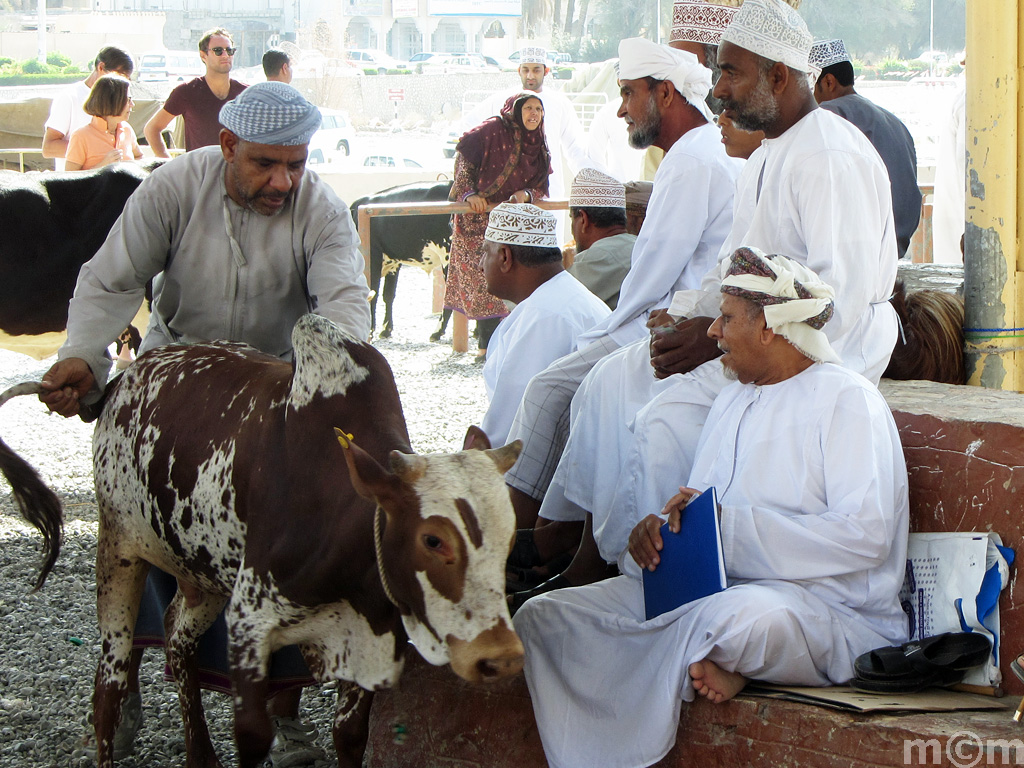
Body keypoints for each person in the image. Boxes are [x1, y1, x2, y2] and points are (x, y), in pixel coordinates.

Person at [514, 0, 899, 600]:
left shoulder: (826, 154)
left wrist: (718, 335)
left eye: (729, 74)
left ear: (777, 76)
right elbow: (735, 267)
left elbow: (835, 302)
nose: (717, 91)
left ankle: (653, 578)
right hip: (752, 338)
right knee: (619, 381)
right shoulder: (770, 153)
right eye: (716, 72)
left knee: (663, 419)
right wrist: (695, 316)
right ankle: (603, 560)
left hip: (812, 356)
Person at [40, 81, 371, 766]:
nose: (284, 181)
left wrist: (325, 393)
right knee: (141, 539)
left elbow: (343, 308)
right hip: (174, 385)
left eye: (297, 164)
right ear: (225, 145)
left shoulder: (323, 210)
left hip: (275, 393)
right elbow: (110, 280)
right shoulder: (172, 187)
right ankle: (122, 670)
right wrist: (81, 357)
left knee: (292, 547)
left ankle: (284, 710)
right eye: (265, 164)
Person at [513, 247, 910, 768]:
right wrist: (653, 537)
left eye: (726, 318)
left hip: (820, 609)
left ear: (769, 327)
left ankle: (719, 659)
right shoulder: (730, 401)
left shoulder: (847, 401)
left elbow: (867, 535)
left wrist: (732, 532)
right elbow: (694, 514)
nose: (712, 332)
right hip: (712, 595)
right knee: (546, 617)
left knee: (736, 623)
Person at [503, 38, 742, 530]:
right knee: (575, 387)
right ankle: (557, 538)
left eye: (629, 93)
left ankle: (519, 542)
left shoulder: (693, 158)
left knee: (549, 389)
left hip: (672, 320)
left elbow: (653, 271)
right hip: (669, 312)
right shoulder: (695, 152)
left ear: (666, 95)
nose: (620, 110)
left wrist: (608, 327)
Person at [478, 202, 610, 447]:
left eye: (485, 252)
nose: (480, 264)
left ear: (505, 257)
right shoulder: (561, 298)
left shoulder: (545, 315)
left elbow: (513, 432)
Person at [445, 92, 551, 358]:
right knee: (483, 279)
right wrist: (469, 194)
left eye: (538, 109)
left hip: (511, 223)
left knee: (513, 277)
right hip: (476, 219)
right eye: (528, 108)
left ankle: (504, 348)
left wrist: (526, 195)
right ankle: (486, 349)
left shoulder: (538, 141)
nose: (534, 114)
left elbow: (540, 186)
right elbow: (464, 160)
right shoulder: (492, 130)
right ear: (515, 110)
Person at [810, 38, 921, 258]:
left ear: (828, 82)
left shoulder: (827, 115)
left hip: (859, 252)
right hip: (893, 249)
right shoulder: (892, 120)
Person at [144, 27, 247, 157]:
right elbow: (152, 129)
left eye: (229, 50)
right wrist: (167, 163)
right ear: (203, 55)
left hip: (235, 173)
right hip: (200, 174)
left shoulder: (246, 94)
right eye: (218, 51)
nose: (225, 55)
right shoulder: (186, 92)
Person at [42, 46, 134, 171]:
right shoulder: (69, 97)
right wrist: (92, 148)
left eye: (126, 79)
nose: (121, 83)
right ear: (101, 67)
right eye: (118, 76)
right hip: (78, 184)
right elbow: (49, 148)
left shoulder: (124, 117)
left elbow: (138, 154)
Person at [565, 168, 636, 309]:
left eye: (572, 219)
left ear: (583, 219)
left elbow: (552, 301)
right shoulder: (638, 244)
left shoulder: (599, 257)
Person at [64, 74, 143, 171]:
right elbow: (70, 179)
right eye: (128, 100)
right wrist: (103, 165)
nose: (132, 104)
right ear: (112, 101)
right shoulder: (80, 136)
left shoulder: (127, 129)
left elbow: (139, 157)